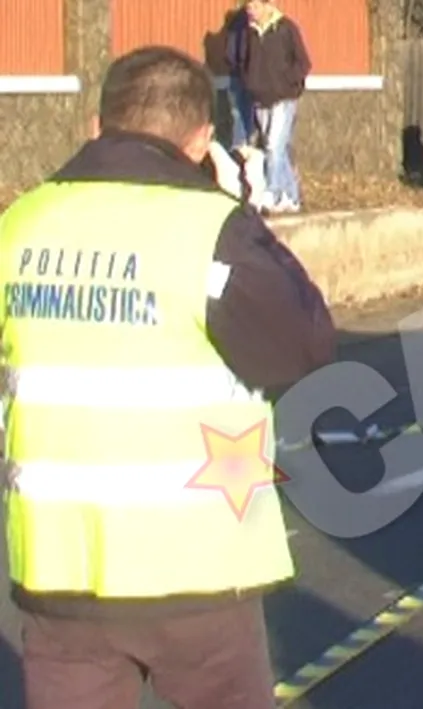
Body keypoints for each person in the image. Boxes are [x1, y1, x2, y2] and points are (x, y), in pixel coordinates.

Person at [0, 45, 335, 709]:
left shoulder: (17, 228)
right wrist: (242, 211)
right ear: (202, 139)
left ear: (94, 126)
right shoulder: (213, 231)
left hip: (61, 575)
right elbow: (304, 345)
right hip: (198, 575)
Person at [240, 0, 311, 214]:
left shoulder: (286, 28)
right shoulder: (249, 33)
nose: (250, 12)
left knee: (273, 146)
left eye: (254, 7)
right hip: (260, 98)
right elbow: (243, 61)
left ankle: (272, 192)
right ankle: (292, 197)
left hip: (284, 97)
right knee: (278, 149)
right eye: (248, 8)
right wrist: (250, 83)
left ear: (267, 5)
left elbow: (303, 63)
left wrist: (286, 82)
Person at [222, 3, 253, 149]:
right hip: (252, 77)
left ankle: (238, 151)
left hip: (237, 76)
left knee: (238, 117)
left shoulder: (235, 23)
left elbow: (229, 53)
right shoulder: (253, 22)